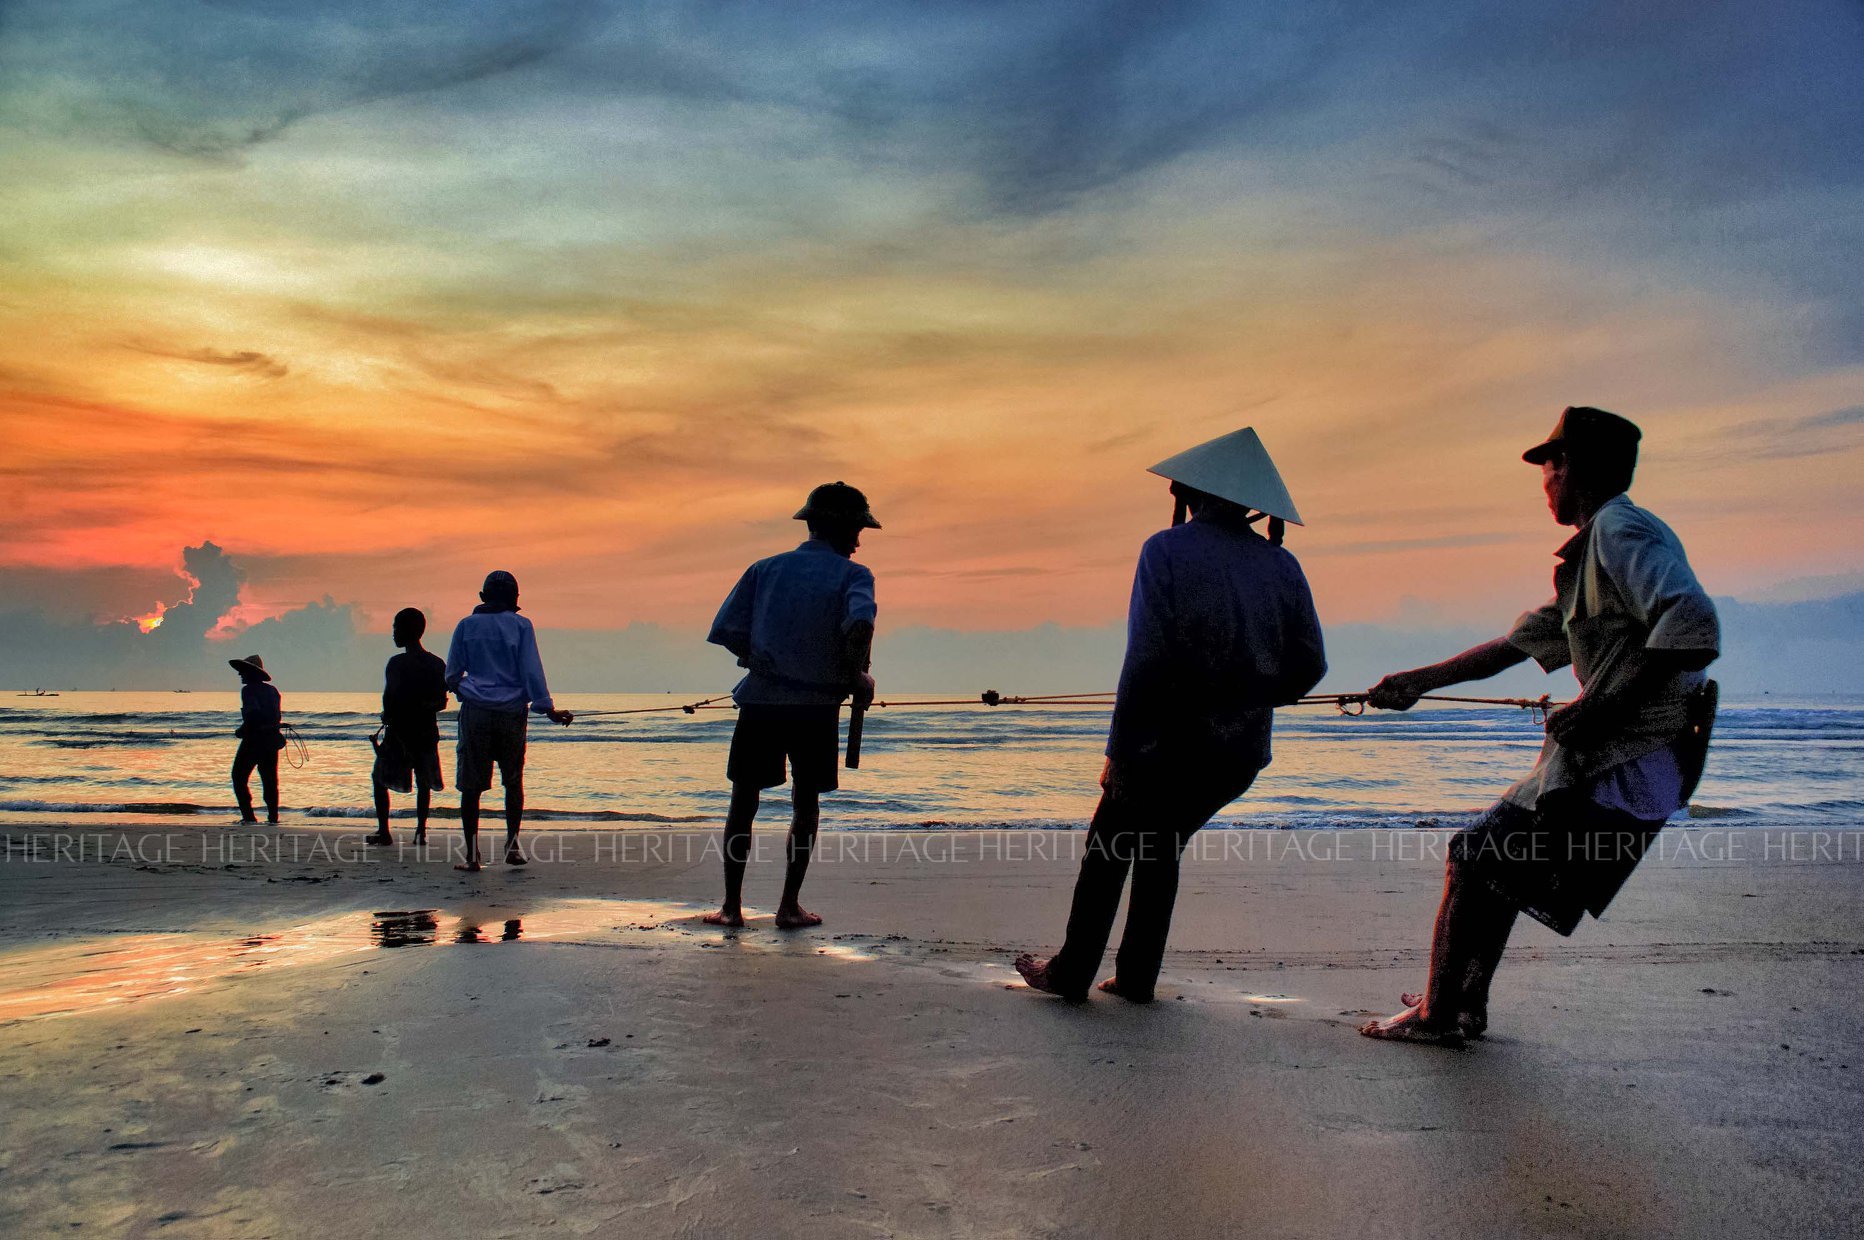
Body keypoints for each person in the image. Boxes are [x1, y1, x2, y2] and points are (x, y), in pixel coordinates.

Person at [1359, 406, 1719, 1046]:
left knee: (1473, 857)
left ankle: (1438, 1015)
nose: (1543, 480)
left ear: (1570, 469)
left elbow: (1691, 626)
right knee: (1490, 865)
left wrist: (1600, 708)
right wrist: (1416, 682)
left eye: (1548, 465)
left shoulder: (1620, 530)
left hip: (1625, 763)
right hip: (1625, 762)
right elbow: (1517, 644)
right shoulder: (1596, 550)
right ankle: (1461, 1001)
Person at [1016, 428, 1327, 1003]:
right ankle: (1135, 978)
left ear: (1191, 493)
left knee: (1108, 849)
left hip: (1163, 742)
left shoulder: (1166, 549)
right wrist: (1247, 694)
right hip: (1238, 754)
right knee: (1160, 847)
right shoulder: (1282, 564)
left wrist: (1120, 750)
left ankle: (1072, 971)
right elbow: (1310, 666)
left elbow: (1146, 658)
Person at [702, 481, 880, 929]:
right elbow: (859, 625)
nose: (859, 542)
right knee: (805, 806)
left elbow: (726, 629)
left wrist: (754, 655)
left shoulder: (765, 569)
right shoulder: (854, 576)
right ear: (838, 529)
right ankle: (787, 907)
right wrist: (857, 676)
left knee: (743, 801)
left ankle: (731, 908)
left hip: (761, 701)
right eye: (856, 530)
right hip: (816, 708)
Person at [444, 571, 573, 872]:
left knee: (471, 786)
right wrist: (547, 708)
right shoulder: (521, 625)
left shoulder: (466, 626)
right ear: (515, 599)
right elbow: (531, 669)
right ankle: (512, 845)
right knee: (513, 781)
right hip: (512, 712)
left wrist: (467, 689)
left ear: (482, 597)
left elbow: (451, 674)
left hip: (476, 712)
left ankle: (472, 854)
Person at [365, 607, 448, 848]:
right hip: (425, 732)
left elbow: (389, 701)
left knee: (379, 779)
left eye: (395, 628)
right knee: (424, 781)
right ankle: (421, 831)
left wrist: (388, 714)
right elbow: (441, 703)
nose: (392, 633)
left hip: (400, 733)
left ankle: (384, 831)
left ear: (406, 631)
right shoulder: (436, 663)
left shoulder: (396, 663)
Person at [228, 653, 283, 825]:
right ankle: (273, 817)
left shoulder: (248, 690)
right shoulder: (273, 691)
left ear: (250, 673)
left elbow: (252, 715)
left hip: (253, 741)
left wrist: (241, 731)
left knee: (238, 777)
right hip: (271, 741)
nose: (239, 674)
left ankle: (249, 816)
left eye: (242, 671)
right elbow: (276, 717)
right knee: (270, 781)